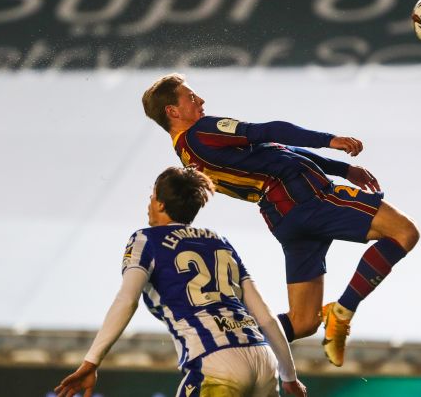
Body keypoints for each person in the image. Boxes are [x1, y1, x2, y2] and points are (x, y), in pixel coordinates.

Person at [141, 74, 419, 367]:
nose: (201, 101)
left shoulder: (187, 155)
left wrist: (342, 169)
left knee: (303, 322)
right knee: (404, 232)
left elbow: (274, 153)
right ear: (172, 111)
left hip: (281, 216)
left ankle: (225, 345)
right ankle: (343, 311)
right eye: (190, 97)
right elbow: (267, 132)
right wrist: (329, 141)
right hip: (306, 195)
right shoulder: (201, 131)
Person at [55, 167, 307, 397]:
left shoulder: (146, 239)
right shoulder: (221, 242)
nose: (149, 203)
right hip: (264, 360)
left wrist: (91, 362)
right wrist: (290, 376)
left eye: (151, 197)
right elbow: (265, 317)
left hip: (215, 362)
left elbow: (126, 299)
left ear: (161, 204)